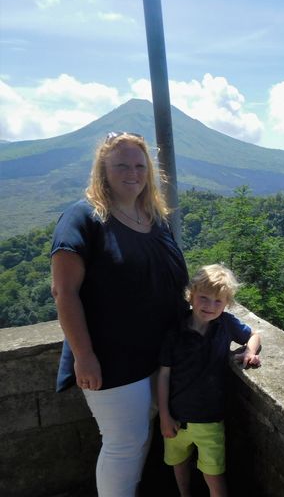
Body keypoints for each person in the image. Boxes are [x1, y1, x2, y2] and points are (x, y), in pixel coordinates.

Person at [51, 131, 189, 497]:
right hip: (111, 359)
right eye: (122, 165)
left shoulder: (153, 217)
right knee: (124, 443)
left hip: (156, 355)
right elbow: (64, 292)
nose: (133, 172)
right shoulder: (83, 218)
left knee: (141, 437)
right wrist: (84, 356)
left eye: (140, 165)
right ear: (103, 170)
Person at [157, 264, 261, 497]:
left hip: (211, 419)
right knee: (179, 462)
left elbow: (254, 335)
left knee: (214, 473)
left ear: (226, 304)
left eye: (218, 301)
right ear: (191, 296)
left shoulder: (225, 324)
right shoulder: (174, 331)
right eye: (203, 298)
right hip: (177, 417)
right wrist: (164, 415)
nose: (210, 306)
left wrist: (249, 352)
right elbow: (163, 375)